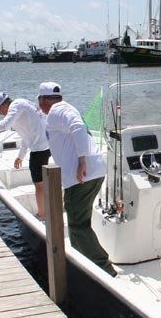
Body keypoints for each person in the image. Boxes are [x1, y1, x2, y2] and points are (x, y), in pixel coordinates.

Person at [37, 81, 116, 277]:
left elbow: (78, 126)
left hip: (81, 177)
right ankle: (85, 261)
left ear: (43, 100)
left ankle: (103, 268)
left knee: (77, 224)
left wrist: (81, 161)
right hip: (91, 173)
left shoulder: (57, 111)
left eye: (38, 100)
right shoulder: (61, 109)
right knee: (80, 221)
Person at [0, 92, 50, 219]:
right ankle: (47, 210)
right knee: (42, 183)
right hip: (48, 145)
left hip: (39, 149)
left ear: (2, 106)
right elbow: (27, 136)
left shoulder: (16, 106)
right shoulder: (22, 104)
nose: (1, 114)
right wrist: (21, 156)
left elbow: (4, 125)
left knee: (39, 185)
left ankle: (42, 214)